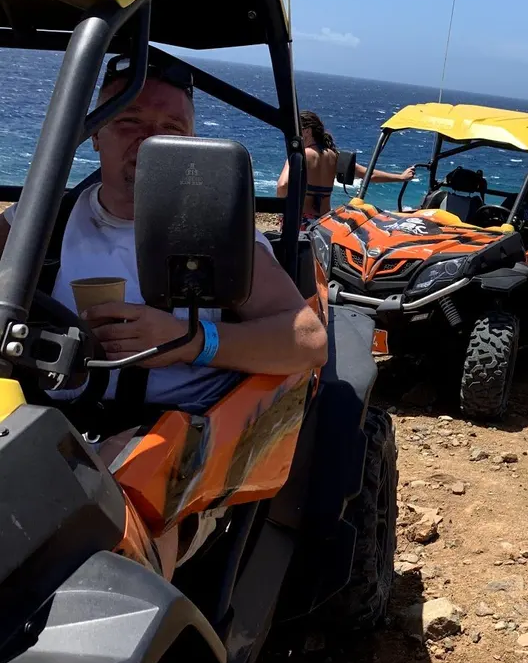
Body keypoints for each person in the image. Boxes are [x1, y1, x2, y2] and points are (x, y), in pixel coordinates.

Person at [0, 54, 328, 577]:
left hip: (174, 443)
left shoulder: (222, 237)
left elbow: (308, 341)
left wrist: (192, 342)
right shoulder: (38, 224)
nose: (149, 141)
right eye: (130, 122)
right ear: (94, 134)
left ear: (192, 143)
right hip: (43, 418)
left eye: (170, 129)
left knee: (111, 520)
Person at [276, 110, 415, 223]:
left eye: (297, 129)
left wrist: (283, 211)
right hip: (324, 222)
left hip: (301, 221)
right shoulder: (334, 156)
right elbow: (369, 175)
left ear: (307, 131)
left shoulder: (301, 155)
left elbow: (282, 185)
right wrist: (402, 177)